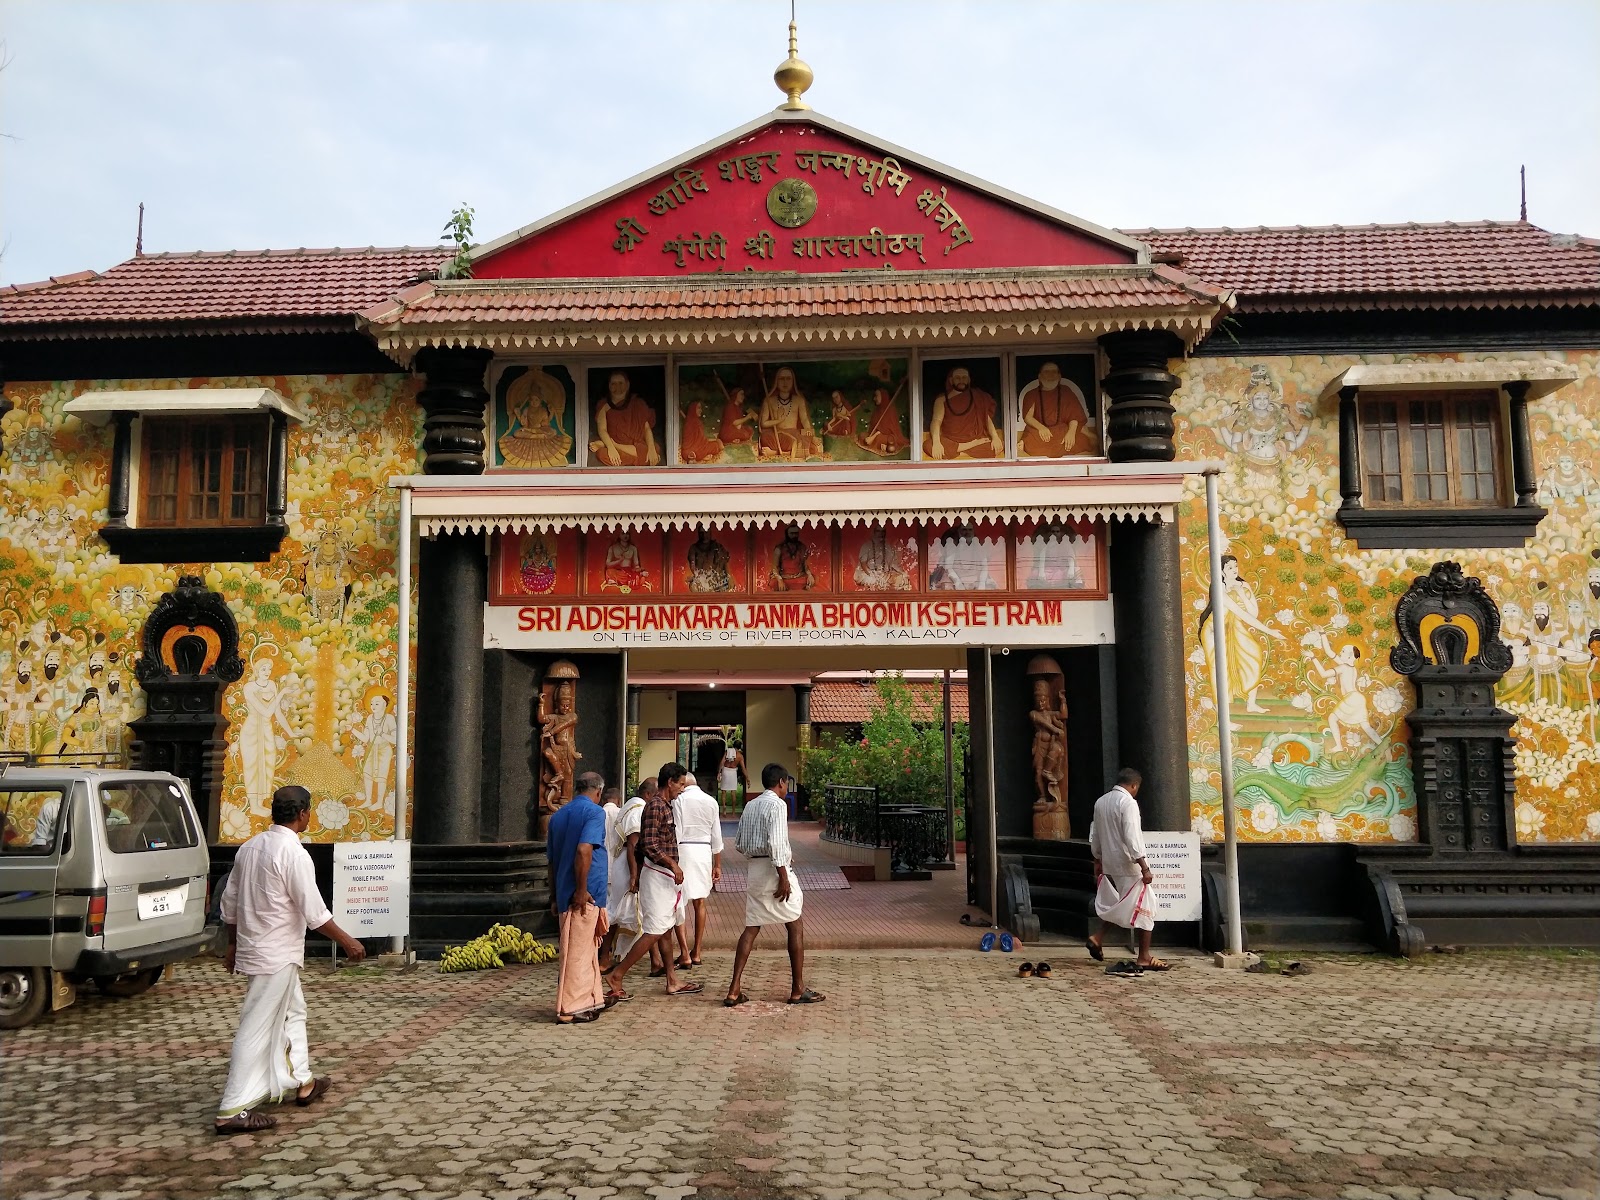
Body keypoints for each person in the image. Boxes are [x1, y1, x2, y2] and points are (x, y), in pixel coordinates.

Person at [214, 785, 366, 1134]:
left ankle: (303, 1080)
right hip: (276, 955)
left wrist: (233, 946)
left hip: (258, 949)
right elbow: (313, 911)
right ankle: (232, 1107)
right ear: (303, 815)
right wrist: (348, 941)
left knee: (294, 1012)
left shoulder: (249, 848)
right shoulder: (293, 854)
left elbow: (230, 904)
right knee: (256, 1026)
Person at [724, 763, 824, 1007]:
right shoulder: (778, 805)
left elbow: (739, 842)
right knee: (795, 923)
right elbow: (777, 842)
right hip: (774, 870)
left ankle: (734, 989)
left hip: (755, 870)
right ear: (781, 782)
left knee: (752, 926)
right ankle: (798, 989)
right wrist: (784, 875)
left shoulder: (750, 805)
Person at [603, 764, 702, 1001]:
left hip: (662, 877)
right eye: (680, 784)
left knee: (665, 930)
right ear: (670, 782)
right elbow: (648, 844)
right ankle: (617, 974)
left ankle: (672, 980)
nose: (681, 789)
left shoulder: (664, 805)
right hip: (657, 876)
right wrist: (673, 864)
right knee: (653, 931)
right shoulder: (656, 806)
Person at [1084, 769, 1169, 973]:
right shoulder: (1128, 803)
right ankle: (1144, 957)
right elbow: (1132, 836)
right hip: (1129, 864)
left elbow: (1095, 833)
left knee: (1126, 903)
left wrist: (1097, 858)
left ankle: (1098, 937)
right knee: (1147, 907)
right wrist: (1144, 866)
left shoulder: (1101, 802)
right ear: (1134, 785)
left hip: (1111, 863)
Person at [548, 771, 610, 1025]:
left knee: (585, 950)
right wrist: (582, 890)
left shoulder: (558, 816)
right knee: (578, 953)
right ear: (598, 792)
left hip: (564, 891)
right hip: (583, 896)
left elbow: (551, 862)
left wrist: (554, 895)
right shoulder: (595, 813)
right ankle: (570, 1007)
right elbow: (584, 850)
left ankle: (589, 999)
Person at [670, 771, 723, 969]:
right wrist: (717, 864)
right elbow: (716, 836)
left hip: (683, 850)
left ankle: (684, 952)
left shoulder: (680, 800)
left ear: (684, 784)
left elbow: (677, 831)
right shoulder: (711, 801)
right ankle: (697, 951)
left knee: (679, 902)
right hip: (703, 852)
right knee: (700, 902)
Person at [601, 780, 649, 971]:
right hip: (627, 868)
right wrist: (634, 876)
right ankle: (605, 958)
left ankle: (657, 962)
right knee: (623, 914)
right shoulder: (638, 809)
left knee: (630, 914)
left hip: (615, 866)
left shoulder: (627, 808)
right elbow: (633, 844)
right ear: (648, 795)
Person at [1018, 361, 1094, 457]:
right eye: (1047, 372)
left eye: (1054, 372)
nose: (1051, 375)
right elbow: (1028, 418)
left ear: (1059, 376)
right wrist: (1041, 427)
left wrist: (1071, 433)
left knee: (1080, 440)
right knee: (1031, 440)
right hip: (1039, 431)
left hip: (1062, 429)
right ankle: (1026, 443)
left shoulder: (1066, 391)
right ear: (1040, 376)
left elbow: (1074, 416)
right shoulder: (1031, 394)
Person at [924, 366, 1001, 460]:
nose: (961, 380)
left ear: (968, 380)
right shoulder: (942, 400)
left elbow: (986, 419)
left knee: (996, 446)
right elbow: (936, 421)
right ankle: (967, 448)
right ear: (951, 380)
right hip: (952, 440)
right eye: (957, 378)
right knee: (928, 445)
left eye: (964, 377)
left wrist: (995, 437)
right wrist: (936, 443)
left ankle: (958, 452)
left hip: (974, 437)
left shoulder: (977, 396)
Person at [589, 370, 660, 466]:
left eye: (620, 383)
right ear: (609, 386)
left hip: (637, 445)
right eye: (613, 384)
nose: (617, 387)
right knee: (602, 454)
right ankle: (640, 458)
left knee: (655, 448)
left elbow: (646, 428)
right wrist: (610, 448)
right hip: (618, 446)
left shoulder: (638, 403)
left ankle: (612, 445)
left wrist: (651, 449)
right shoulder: (604, 405)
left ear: (627, 385)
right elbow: (602, 430)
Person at [758, 367, 823, 460]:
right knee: (765, 437)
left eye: (788, 379)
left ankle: (776, 452)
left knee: (803, 438)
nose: (785, 382)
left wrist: (810, 433)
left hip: (794, 434)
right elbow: (763, 423)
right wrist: (778, 421)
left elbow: (804, 419)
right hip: (777, 434)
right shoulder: (769, 401)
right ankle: (786, 451)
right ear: (777, 381)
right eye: (782, 379)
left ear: (793, 381)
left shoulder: (799, 400)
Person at [769, 523, 816, 592]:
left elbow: (805, 565)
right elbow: (775, 568)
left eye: (796, 533)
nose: (794, 535)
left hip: (799, 577)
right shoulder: (779, 549)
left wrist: (809, 575)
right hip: (784, 578)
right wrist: (780, 580)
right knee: (773, 583)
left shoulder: (802, 547)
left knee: (814, 580)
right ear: (787, 534)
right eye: (792, 533)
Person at [679, 399, 725, 463]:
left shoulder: (690, 421)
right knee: (716, 445)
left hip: (686, 452)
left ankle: (694, 456)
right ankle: (700, 456)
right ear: (693, 410)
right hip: (697, 449)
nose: (701, 410)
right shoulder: (695, 422)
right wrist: (716, 440)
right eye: (698, 408)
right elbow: (702, 441)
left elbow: (700, 439)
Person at [717, 742, 746, 814]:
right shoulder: (740, 756)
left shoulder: (727, 751)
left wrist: (719, 772)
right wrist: (747, 778)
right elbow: (743, 768)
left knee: (724, 791)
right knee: (733, 792)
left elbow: (722, 762)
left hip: (725, 770)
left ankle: (724, 808)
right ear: (740, 747)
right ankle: (733, 811)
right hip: (733, 772)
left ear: (733, 745)